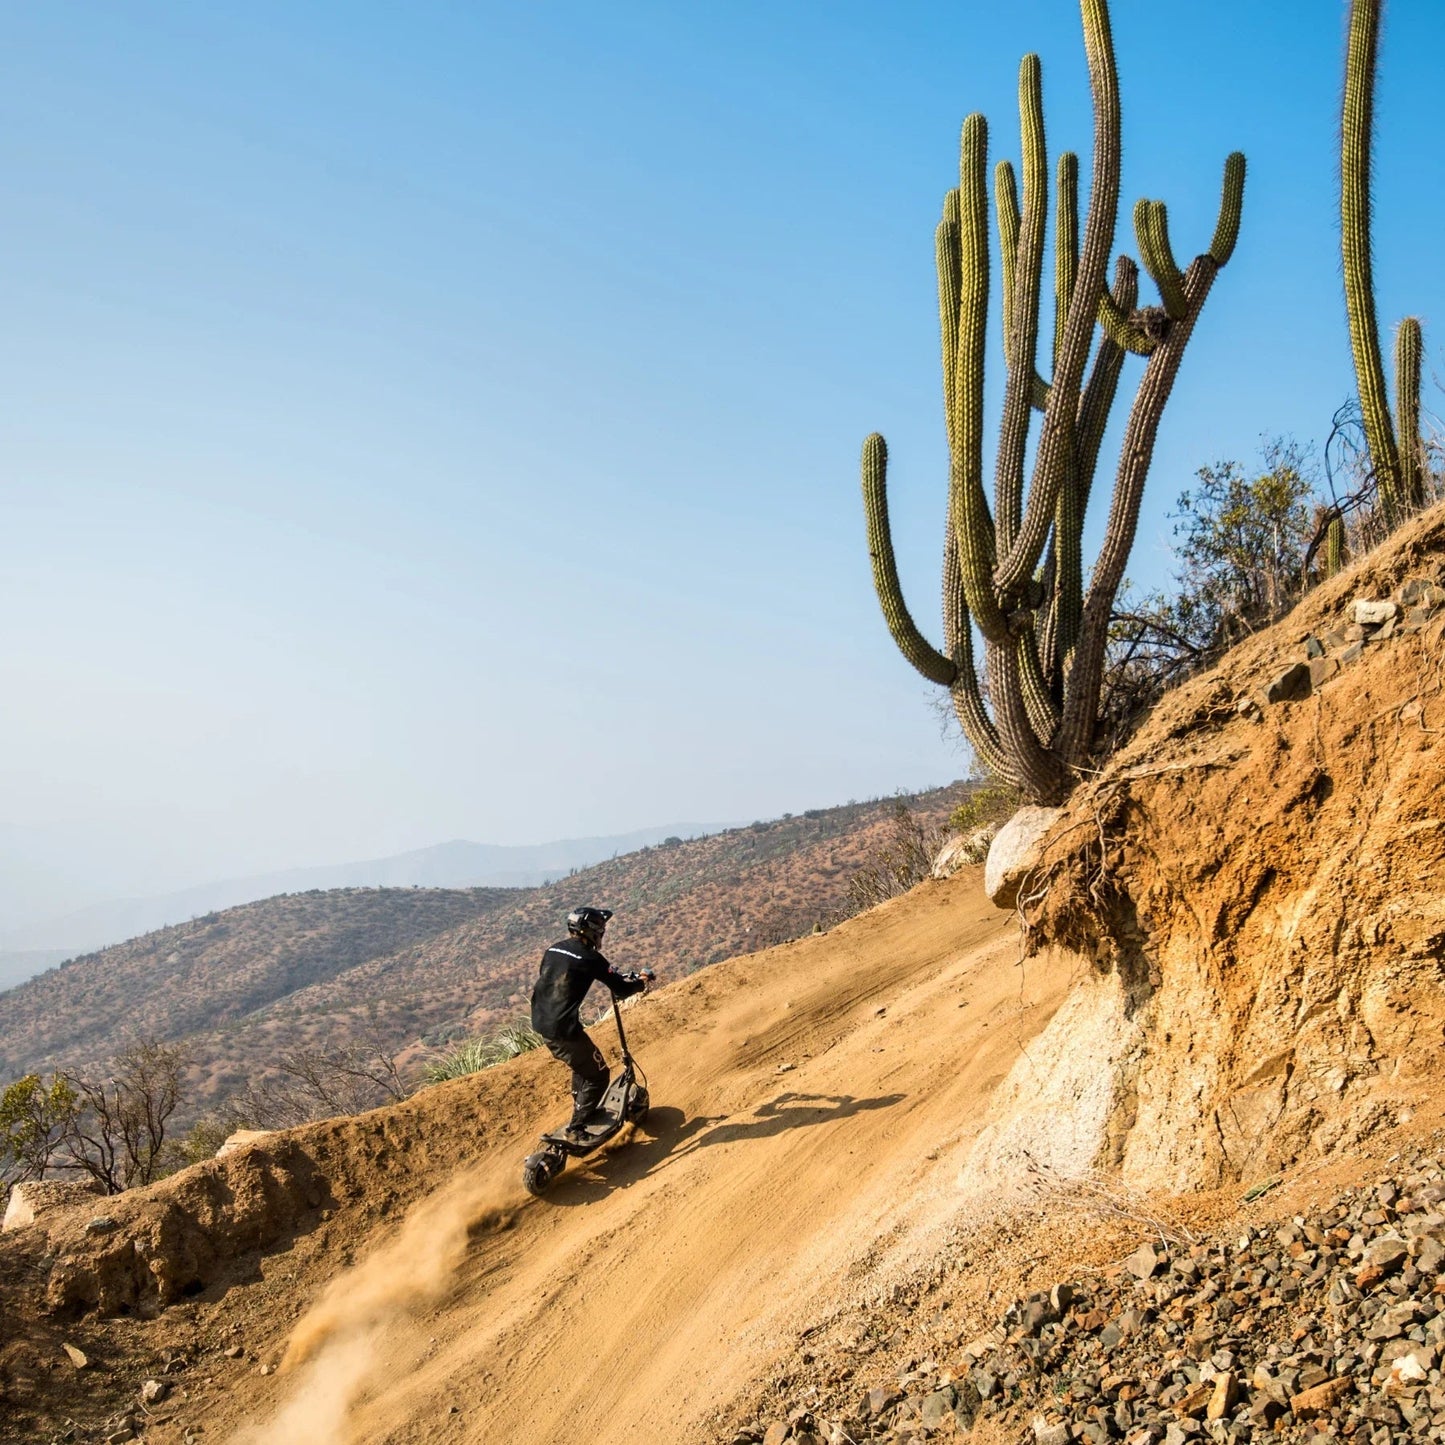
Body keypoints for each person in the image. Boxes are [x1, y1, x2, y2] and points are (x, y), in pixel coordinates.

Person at [530, 906, 652, 1142]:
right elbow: (623, 989)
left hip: (542, 1021)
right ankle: (577, 1127)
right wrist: (641, 982)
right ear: (593, 931)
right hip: (564, 1030)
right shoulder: (591, 958)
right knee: (598, 1076)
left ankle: (582, 1107)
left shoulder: (553, 949)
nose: (603, 932)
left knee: (582, 1066)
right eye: (602, 928)